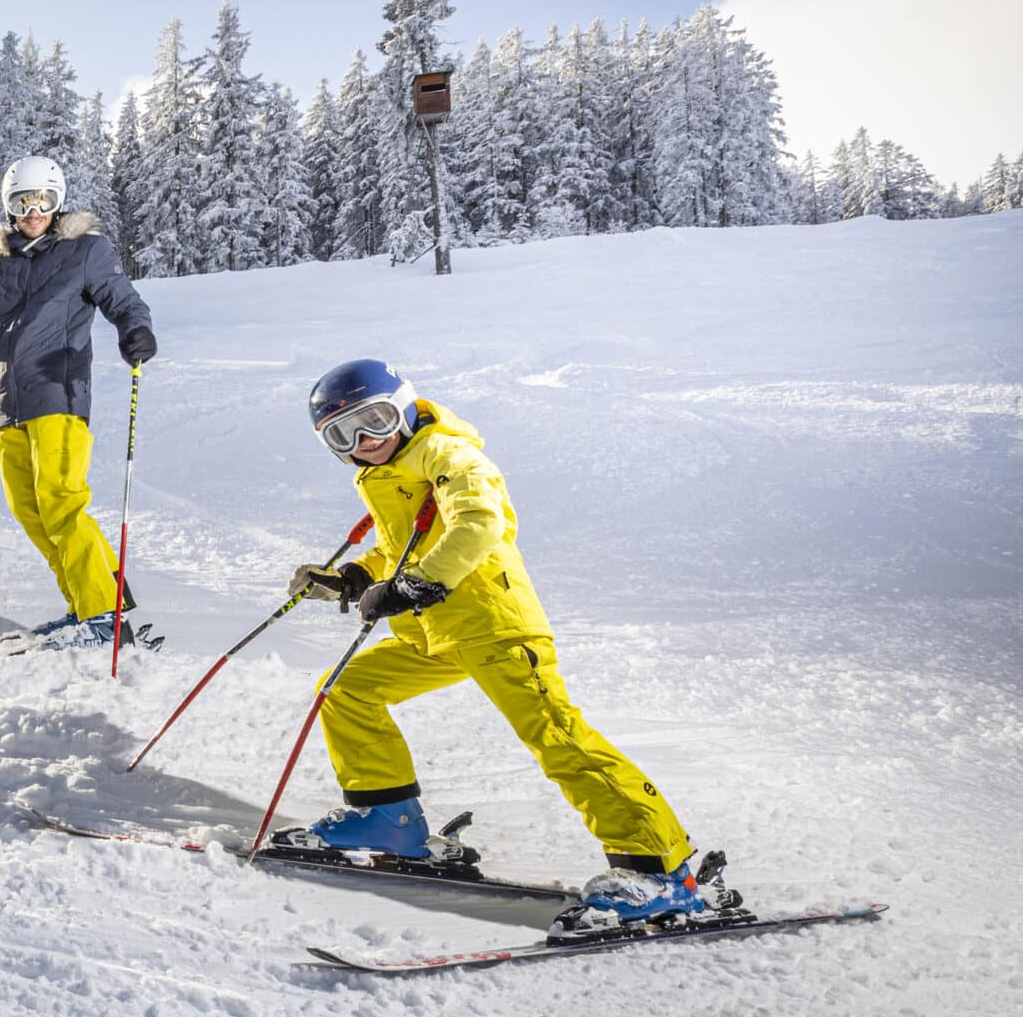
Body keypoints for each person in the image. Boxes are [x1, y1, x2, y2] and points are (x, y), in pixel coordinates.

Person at [279, 358, 742, 936]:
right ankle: (387, 820)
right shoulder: (392, 473)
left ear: (404, 405)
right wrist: (352, 578)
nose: (365, 441)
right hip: (435, 634)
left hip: (494, 625)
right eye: (343, 434)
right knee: (347, 689)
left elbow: (477, 522)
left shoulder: (449, 453)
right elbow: (402, 548)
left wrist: (416, 585)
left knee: (557, 738)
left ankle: (661, 871)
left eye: (374, 419)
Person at [0, 155, 158, 647]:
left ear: (58, 201)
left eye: (43, 200)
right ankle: (89, 606)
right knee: (29, 510)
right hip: (9, 405)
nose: (34, 211)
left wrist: (136, 331)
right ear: (9, 208)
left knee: (62, 506)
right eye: (23, 201)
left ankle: (102, 617)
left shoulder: (86, 251)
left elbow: (123, 300)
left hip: (60, 392)